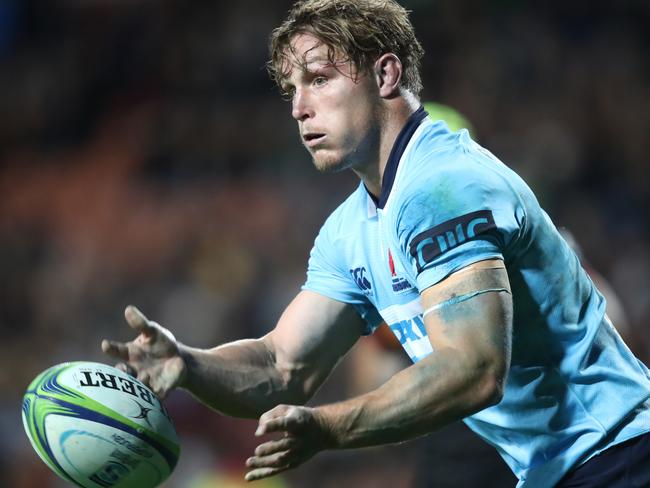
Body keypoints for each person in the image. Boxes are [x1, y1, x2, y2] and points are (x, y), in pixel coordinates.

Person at [102, 1, 650, 486]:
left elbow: (475, 369)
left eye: (318, 79)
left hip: (620, 452)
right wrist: (188, 364)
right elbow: (282, 366)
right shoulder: (350, 229)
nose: (298, 107)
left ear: (386, 73)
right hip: (562, 468)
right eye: (292, 89)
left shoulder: (442, 187)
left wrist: (329, 427)